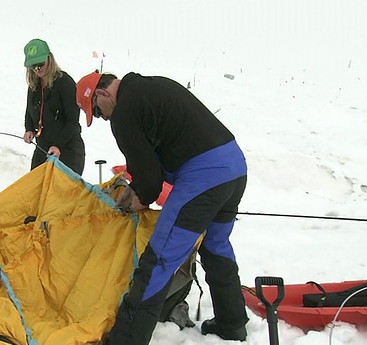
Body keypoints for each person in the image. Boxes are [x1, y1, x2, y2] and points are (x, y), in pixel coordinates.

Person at [76, 71, 249, 344]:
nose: (103, 118)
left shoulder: (123, 112)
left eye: (97, 112)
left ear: (102, 94)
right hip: (234, 167)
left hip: (202, 177)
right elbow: (152, 156)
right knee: (216, 247)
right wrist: (135, 187)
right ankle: (232, 324)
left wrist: (139, 199)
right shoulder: (151, 87)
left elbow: (151, 180)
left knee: (157, 261)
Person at [22, 38, 85, 175]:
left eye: (40, 64)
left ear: (50, 59)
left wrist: (58, 145)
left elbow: (72, 122)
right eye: (33, 66)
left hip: (68, 149)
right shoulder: (34, 86)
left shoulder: (65, 83)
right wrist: (29, 129)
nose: (37, 69)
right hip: (43, 148)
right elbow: (29, 111)